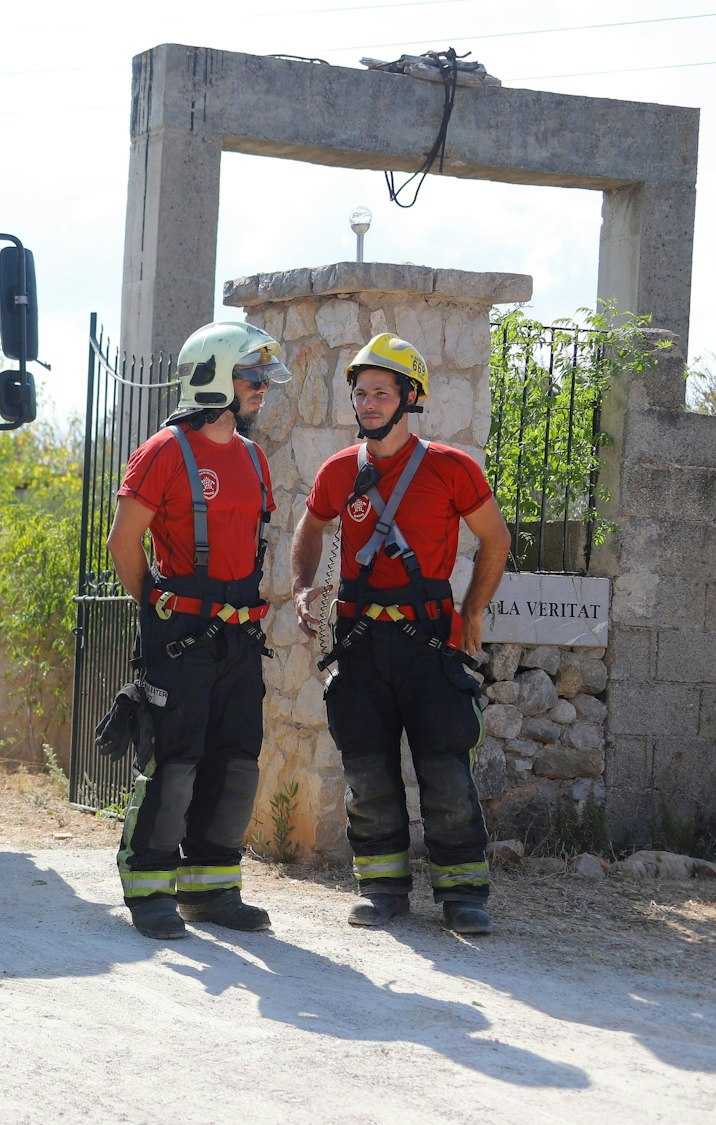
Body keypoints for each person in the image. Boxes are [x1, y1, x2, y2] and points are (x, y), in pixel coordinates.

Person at [288, 332, 510, 936]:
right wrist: (305, 587)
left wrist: (475, 610)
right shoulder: (339, 471)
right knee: (367, 773)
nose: (369, 403)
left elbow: (497, 538)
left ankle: (463, 894)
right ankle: (382, 891)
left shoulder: (451, 467)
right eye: (361, 393)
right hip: (360, 642)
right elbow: (308, 532)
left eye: (382, 392)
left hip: (429, 641)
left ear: (410, 397)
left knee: (445, 771)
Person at [106, 321, 290, 940]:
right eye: (251, 375)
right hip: (182, 633)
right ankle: (149, 887)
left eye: (264, 377)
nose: (262, 387)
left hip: (240, 637)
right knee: (175, 759)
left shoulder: (253, 456)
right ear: (215, 377)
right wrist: (158, 607)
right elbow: (123, 542)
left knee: (236, 761)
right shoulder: (163, 450)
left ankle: (212, 889)